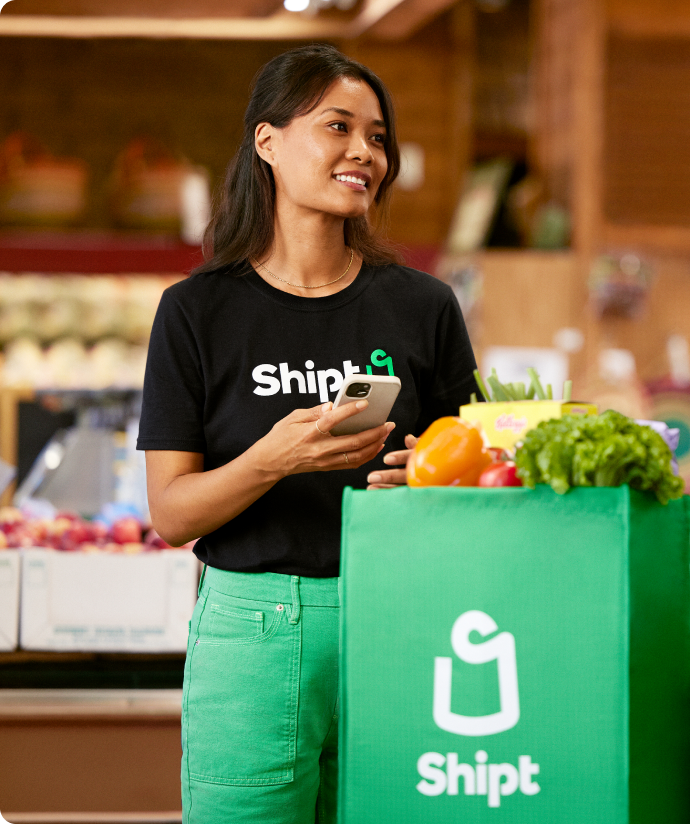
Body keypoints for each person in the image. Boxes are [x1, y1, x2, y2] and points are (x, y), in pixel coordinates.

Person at [138, 44, 479, 824]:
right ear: (268, 141)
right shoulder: (196, 311)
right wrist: (272, 459)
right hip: (251, 630)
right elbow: (173, 514)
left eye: (377, 137)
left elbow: (479, 482)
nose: (364, 152)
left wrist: (429, 485)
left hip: (400, 616)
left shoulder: (424, 307)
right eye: (338, 127)